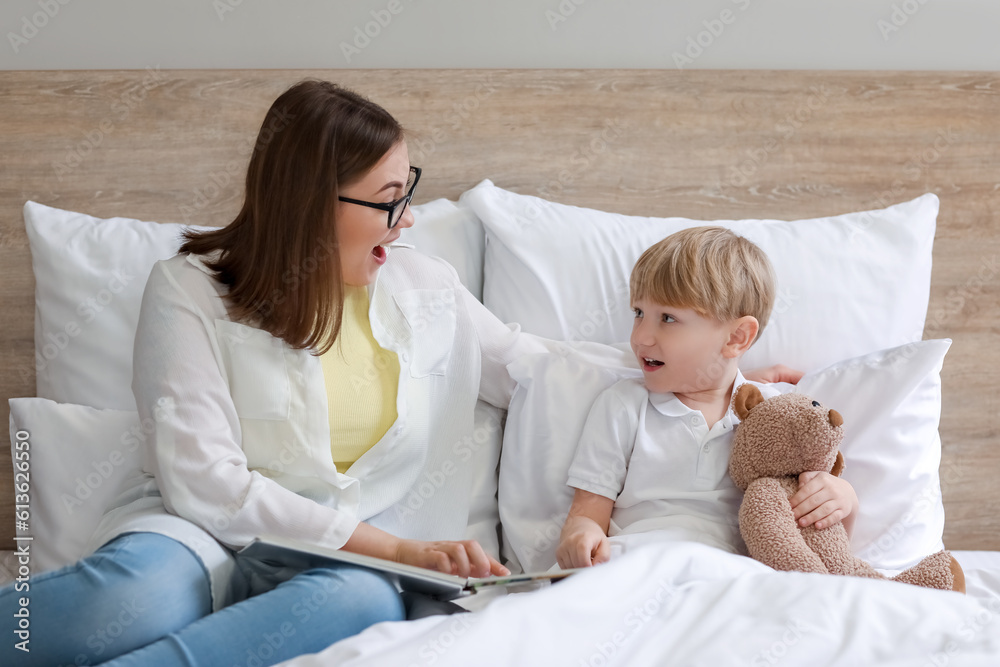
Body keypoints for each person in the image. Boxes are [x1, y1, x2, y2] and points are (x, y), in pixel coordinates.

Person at [1, 82, 799, 666]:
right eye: (389, 197)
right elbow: (204, 480)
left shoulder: (423, 286)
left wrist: (724, 370)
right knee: (132, 596)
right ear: (314, 201)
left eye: (407, 192)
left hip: (357, 570)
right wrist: (397, 546)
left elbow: (540, 371)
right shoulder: (191, 290)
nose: (407, 217)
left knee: (353, 602)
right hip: (207, 532)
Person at [556, 226, 858, 569]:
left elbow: (823, 543)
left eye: (667, 318)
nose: (641, 337)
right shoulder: (623, 405)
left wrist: (845, 501)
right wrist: (580, 534)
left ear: (737, 338)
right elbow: (588, 512)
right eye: (638, 313)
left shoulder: (777, 417)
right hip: (638, 564)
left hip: (735, 575)